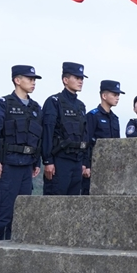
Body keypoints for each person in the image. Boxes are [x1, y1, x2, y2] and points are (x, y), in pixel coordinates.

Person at [0, 65, 43, 241]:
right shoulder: (3, 104)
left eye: (34, 80)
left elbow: (38, 137)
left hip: (26, 167)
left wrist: (36, 162)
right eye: (29, 79)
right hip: (7, 165)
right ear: (17, 80)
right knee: (1, 213)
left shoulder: (35, 107)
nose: (33, 82)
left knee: (20, 216)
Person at [41, 62, 88, 196]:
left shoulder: (80, 106)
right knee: (55, 200)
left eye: (81, 79)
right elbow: (47, 132)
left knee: (72, 204)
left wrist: (84, 162)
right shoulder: (54, 101)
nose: (80, 81)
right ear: (65, 80)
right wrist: (48, 160)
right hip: (60, 160)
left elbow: (84, 134)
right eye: (77, 78)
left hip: (77, 161)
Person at [83, 80, 123, 195]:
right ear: (104, 96)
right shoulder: (93, 116)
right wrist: (87, 165)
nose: (117, 98)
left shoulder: (115, 119)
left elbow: (117, 144)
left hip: (111, 166)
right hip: (94, 165)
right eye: (114, 95)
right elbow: (87, 141)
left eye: (118, 95)